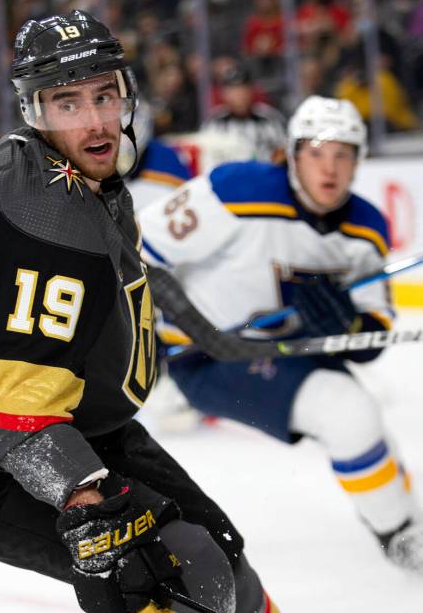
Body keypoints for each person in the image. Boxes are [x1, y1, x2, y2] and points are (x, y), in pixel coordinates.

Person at [0, 10, 293, 613]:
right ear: (34, 109)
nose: (95, 120)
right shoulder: (48, 217)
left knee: (220, 556)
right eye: (67, 102)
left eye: (104, 94)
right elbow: (20, 421)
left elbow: (124, 275)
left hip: (70, 420)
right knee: (185, 583)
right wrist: (86, 503)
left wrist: (209, 333)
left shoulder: (60, 170)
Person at [137, 95, 423, 574]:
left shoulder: (367, 226)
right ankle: (399, 535)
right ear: (291, 155)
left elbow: (374, 331)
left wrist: (349, 324)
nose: (329, 168)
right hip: (207, 359)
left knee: (365, 423)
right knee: (346, 412)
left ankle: (400, 515)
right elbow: (138, 248)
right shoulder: (237, 190)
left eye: (343, 154)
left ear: (358, 163)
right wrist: (190, 329)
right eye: (316, 152)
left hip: (288, 349)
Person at [199, 63, 286, 165]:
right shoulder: (213, 123)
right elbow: (205, 158)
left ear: (252, 91)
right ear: (223, 94)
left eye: (243, 90)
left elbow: (284, 152)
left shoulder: (271, 119)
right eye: (232, 91)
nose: (239, 96)